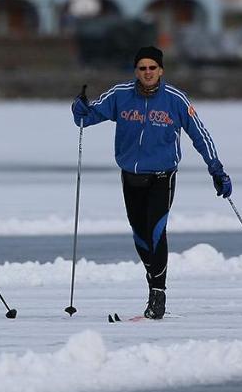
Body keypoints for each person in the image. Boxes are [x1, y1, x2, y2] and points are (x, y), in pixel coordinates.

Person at [72, 46, 232, 320]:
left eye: (152, 68)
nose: (147, 73)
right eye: (142, 68)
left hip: (162, 176)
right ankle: (153, 280)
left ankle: (158, 294)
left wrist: (216, 169)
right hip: (130, 177)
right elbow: (86, 119)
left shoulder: (175, 99)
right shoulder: (120, 95)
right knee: (140, 236)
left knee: (156, 233)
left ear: (161, 70)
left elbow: (200, 135)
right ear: (136, 71)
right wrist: (80, 109)